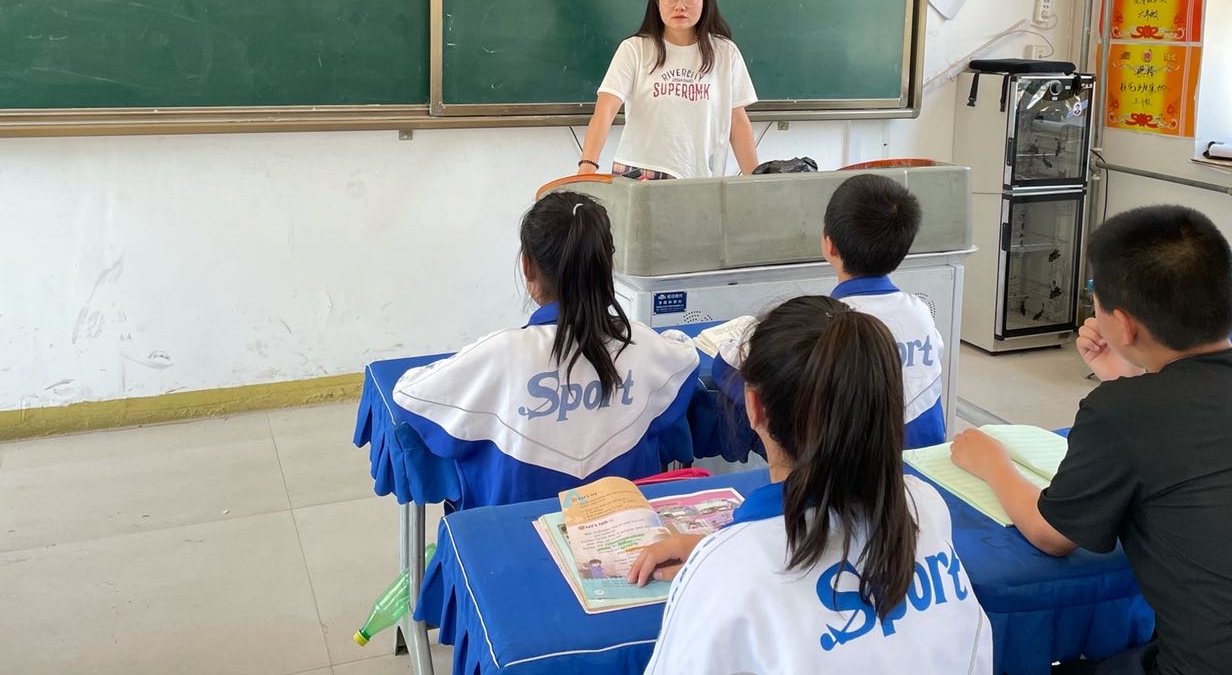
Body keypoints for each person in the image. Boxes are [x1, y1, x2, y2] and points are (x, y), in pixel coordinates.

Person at [951, 205, 1232, 675]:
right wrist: (1127, 378)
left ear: (1124, 324)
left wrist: (992, 462)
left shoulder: (1121, 412)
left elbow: (1051, 535)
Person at [635, 296, 992, 674]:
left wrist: (719, 557)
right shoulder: (924, 504)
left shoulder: (728, 574)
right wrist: (720, 551)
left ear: (754, 406)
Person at [392, 191, 701, 509]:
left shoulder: (500, 353)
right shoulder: (641, 343)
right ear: (607, 264)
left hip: (512, 535)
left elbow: (408, 393)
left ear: (527, 267)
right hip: (628, 531)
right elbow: (687, 358)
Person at [712, 173, 947, 448]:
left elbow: (725, 368)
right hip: (926, 461)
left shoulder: (824, 323)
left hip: (851, 465)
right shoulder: (920, 313)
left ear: (829, 244)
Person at [575, 0, 758, 180]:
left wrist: (756, 181)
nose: (680, 6)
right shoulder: (634, 49)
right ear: (657, 1)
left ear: (705, 1)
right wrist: (587, 166)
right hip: (641, 172)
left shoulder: (725, 53)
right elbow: (605, 110)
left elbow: (737, 122)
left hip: (701, 176)